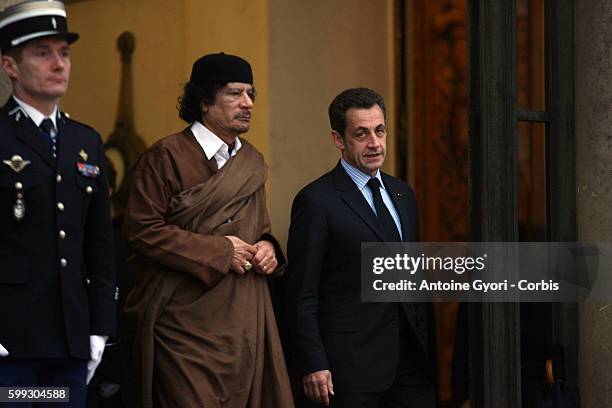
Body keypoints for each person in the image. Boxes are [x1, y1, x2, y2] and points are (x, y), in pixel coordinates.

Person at [123, 52, 294, 408]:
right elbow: (141, 230)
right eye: (234, 93)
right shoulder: (165, 156)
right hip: (181, 325)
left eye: (251, 94)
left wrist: (268, 248)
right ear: (203, 100)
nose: (247, 103)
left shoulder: (251, 162)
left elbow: (259, 228)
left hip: (242, 323)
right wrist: (220, 252)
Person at [286, 88, 436, 407]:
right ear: (338, 139)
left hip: (410, 367)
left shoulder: (402, 194)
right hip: (348, 371)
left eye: (379, 130)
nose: (375, 143)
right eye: (361, 134)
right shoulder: (316, 201)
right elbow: (302, 292)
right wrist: (312, 362)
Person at [0, 1, 117, 406]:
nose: (58, 64)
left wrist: (100, 328)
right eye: (42, 52)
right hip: (10, 343)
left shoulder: (86, 141)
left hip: (70, 340)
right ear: (9, 66)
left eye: (64, 53)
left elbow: (100, 245)